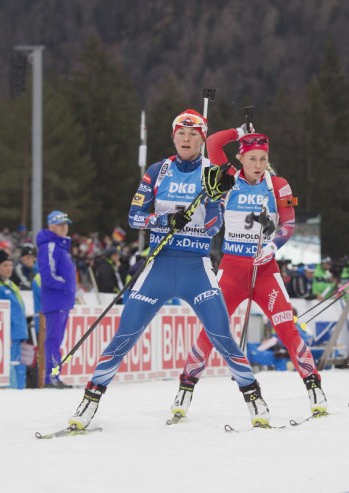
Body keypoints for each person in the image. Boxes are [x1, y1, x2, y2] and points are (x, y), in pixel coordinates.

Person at [68, 109, 271, 430]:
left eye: (193, 134)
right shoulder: (158, 170)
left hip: (196, 268)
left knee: (222, 336)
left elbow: (216, 225)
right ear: (173, 137)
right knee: (125, 335)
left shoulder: (212, 170)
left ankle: (254, 398)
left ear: (202, 139)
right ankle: (88, 403)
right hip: (159, 267)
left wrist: (208, 208)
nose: (187, 139)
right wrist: (163, 220)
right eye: (181, 134)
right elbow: (134, 216)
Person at [171, 122, 327, 421]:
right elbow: (214, 143)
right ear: (240, 159)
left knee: (287, 329)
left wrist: (274, 246)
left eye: (263, 159)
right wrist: (238, 133)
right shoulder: (227, 178)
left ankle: (314, 389)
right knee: (211, 331)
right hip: (232, 272)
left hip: (265, 272)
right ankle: (184, 390)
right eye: (252, 158)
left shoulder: (278, 185)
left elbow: (289, 223)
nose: (258, 165)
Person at [37, 211, 77, 388]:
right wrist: (66, 286)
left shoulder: (59, 246)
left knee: (57, 340)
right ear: (51, 226)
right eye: (60, 224)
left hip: (62, 301)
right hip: (56, 300)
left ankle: (54, 375)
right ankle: (51, 377)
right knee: (53, 340)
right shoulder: (50, 246)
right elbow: (48, 275)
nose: (64, 227)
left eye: (66, 224)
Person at [0, 250, 29, 389]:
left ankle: (20, 390)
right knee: (8, 363)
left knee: (17, 362)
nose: (9, 268)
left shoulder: (10, 284)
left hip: (17, 332)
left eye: (10, 265)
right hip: (4, 333)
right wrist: (2, 332)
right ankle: (10, 390)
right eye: (5, 265)